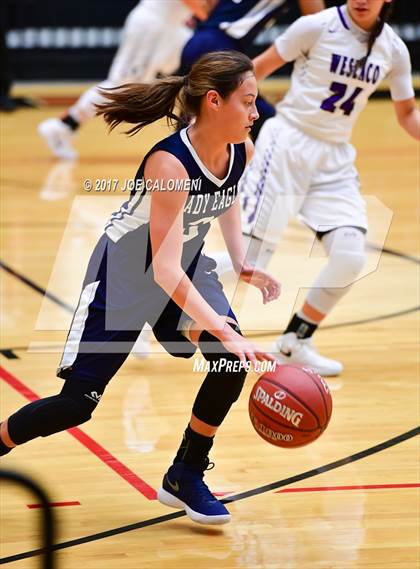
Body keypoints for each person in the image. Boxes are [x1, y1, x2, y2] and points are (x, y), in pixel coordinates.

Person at [0, 51, 281, 525]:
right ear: (214, 101)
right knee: (76, 405)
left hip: (185, 264)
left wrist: (242, 260)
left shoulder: (241, 149)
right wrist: (228, 330)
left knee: (229, 361)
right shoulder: (169, 164)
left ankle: (185, 473)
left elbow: (226, 196)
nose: (256, 113)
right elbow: (163, 271)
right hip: (125, 274)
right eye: (249, 102)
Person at [212, 0, 419, 376]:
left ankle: (295, 342)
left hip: (334, 158)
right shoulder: (316, 26)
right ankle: (156, 291)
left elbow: (407, 114)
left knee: (351, 256)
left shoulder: (393, 49)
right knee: (252, 260)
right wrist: (231, 128)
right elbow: (253, 74)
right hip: (287, 142)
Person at [38, 0, 214, 160]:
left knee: (199, 63)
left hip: (172, 28)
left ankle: (195, 137)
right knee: (121, 87)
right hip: (151, 26)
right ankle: (62, 126)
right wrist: (222, 17)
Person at [180, 0, 326, 139]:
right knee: (265, 124)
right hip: (220, 47)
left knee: (196, 121)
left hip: (201, 39)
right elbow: (317, 22)